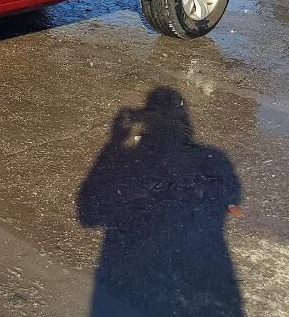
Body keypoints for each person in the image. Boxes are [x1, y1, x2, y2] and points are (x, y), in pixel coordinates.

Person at [76, 87, 244, 316]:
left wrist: (114, 144)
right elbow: (231, 194)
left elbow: (88, 214)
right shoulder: (211, 157)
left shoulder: (132, 159)